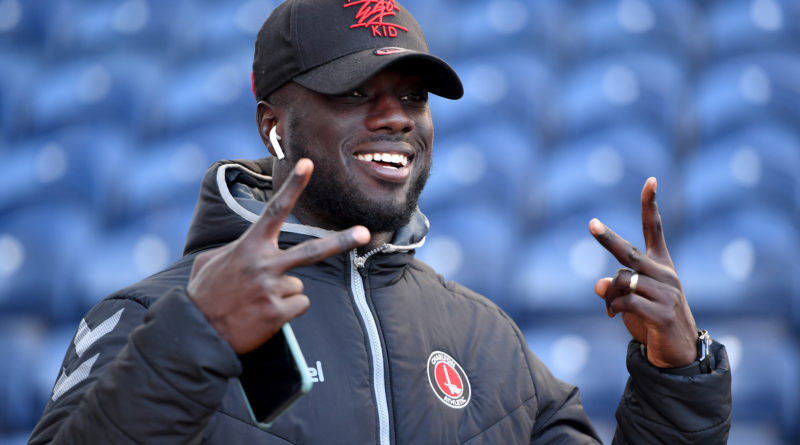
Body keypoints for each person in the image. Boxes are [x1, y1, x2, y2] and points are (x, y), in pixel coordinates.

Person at [29, 0, 731, 443]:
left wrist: (676, 377)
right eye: (355, 92)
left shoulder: (486, 338)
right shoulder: (150, 317)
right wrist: (194, 339)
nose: (395, 117)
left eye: (412, 95)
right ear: (275, 127)